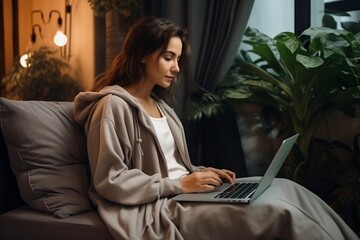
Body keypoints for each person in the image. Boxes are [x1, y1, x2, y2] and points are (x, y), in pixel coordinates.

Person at [74, 16, 358, 240]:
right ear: (142, 55)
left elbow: (172, 165)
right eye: (168, 57)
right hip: (159, 206)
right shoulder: (112, 105)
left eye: (178, 59)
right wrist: (180, 184)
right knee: (277, 210)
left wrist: (202, 173)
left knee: (287, 187)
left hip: (182, 192)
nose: (176, 68)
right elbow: (109, 180)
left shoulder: (163, 109)